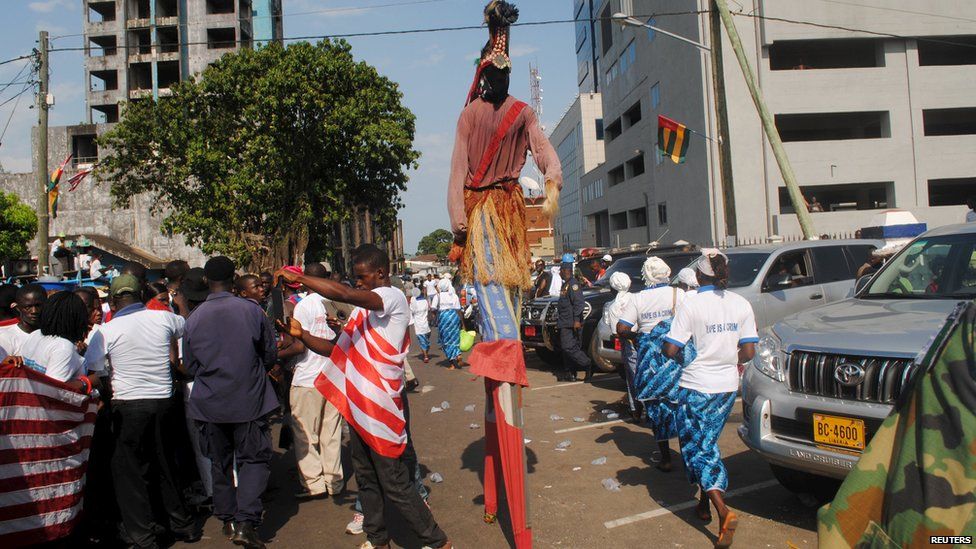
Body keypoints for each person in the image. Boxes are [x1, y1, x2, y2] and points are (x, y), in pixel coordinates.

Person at [275, 244, 452, 549]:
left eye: (361, 276)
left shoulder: (390, 296)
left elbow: (342, 294)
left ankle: (437, 542)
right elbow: (335, 350)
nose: (357, 282)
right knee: (367, 478)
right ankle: (378, 538)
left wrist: (300, 278)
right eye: (355, 278)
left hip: (381, 406)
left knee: (395, 482)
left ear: (381, 273)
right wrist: (302, 335)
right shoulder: (363, 314)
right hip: (358, 404)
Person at [85, 274, 200, 548]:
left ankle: (143, 535)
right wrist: (181, 303)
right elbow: (187, 324)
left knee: (131, 472)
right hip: (164, 401)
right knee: (166, 463)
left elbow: (96, 373)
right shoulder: (163, 318)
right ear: (141, 297)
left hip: (129, 405)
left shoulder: (106, 331)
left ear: (113, 301)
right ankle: (183, 525)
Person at [663, 249, 758, 548]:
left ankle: (722, 510)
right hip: (728, 386)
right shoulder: (741, 303)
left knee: (696, 449)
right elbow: (749, 352)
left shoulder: (691, 305)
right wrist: (729, 359)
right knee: (708, 444)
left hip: (697, 386)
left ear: (699, 276)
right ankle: (703, 506)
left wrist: (687, 355)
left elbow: (670, 349)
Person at [182, 256, 278, 548]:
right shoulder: (251, 310)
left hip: (210, 402)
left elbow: (190, 365)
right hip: (248, 400)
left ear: (206, 282)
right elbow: (269, 354)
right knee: (253, 459)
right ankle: (246, 521)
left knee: (219, 462)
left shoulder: (194, 318)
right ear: (234, 278)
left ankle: (228, 519)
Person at [616, 257, 686, 472]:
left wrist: (637, 337)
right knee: (681, 406)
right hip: (675, 357)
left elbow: (621, 328)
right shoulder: (679, 294)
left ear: (646, 275)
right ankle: (687, 454)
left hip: (651, 362)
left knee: (656, 407)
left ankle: (665, 458)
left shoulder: (637, 299)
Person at [285, 262, 345, 500]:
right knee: (331, 432)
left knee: (306, 434)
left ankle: (314, 483)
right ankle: (335, 481)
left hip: (307, 377)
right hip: (332, 376)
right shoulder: (335, 303)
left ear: (303, 280)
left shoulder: (302, 307)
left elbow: (300, 344)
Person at [18, 291, 91, 389]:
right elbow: (53, 390)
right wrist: (86, 382)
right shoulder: (63, 347)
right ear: (75, 318)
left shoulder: (35, 334)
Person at [603, 272, 637, 416]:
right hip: (644, 341)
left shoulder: (612, 307)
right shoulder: (636, 298)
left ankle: (635, 409)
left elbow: (616, 332)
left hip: (629, 344)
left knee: (632, 377)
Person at [556, 259, 590, 382]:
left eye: (561, 270)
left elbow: (579, 303)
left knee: (569, 347)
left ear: (566, 271)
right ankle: (570, 373)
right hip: (564, 321)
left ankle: (587, 364)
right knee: (567, 349)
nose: (559, 272)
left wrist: (576, 320)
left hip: (571, 322)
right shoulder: (565, 284)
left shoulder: (573, 285)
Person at [0, 284, 48, 359]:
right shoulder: (5, 338)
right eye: (28, 307)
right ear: (17, 308)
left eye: (38, 306)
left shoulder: (54, 334)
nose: (34, 311)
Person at [431, 278, 462, 369]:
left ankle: (452, 363)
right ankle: (458, 354)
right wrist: (461, 322)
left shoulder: (438, 296)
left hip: (443, 318)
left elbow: (433, 308)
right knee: (455, 338)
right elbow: (458, 309)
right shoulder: (454, 295)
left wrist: (434, 317)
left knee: (446, 340)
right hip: (454, 317)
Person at [410, 287, 432, 363]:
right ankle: (425, 356)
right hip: (425, 324)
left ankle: (425, 353)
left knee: (424, 341)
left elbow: (411, 312)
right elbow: (428, 310)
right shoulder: (425, 301)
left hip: (420, 325)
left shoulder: (414, 303)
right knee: (424, 341)